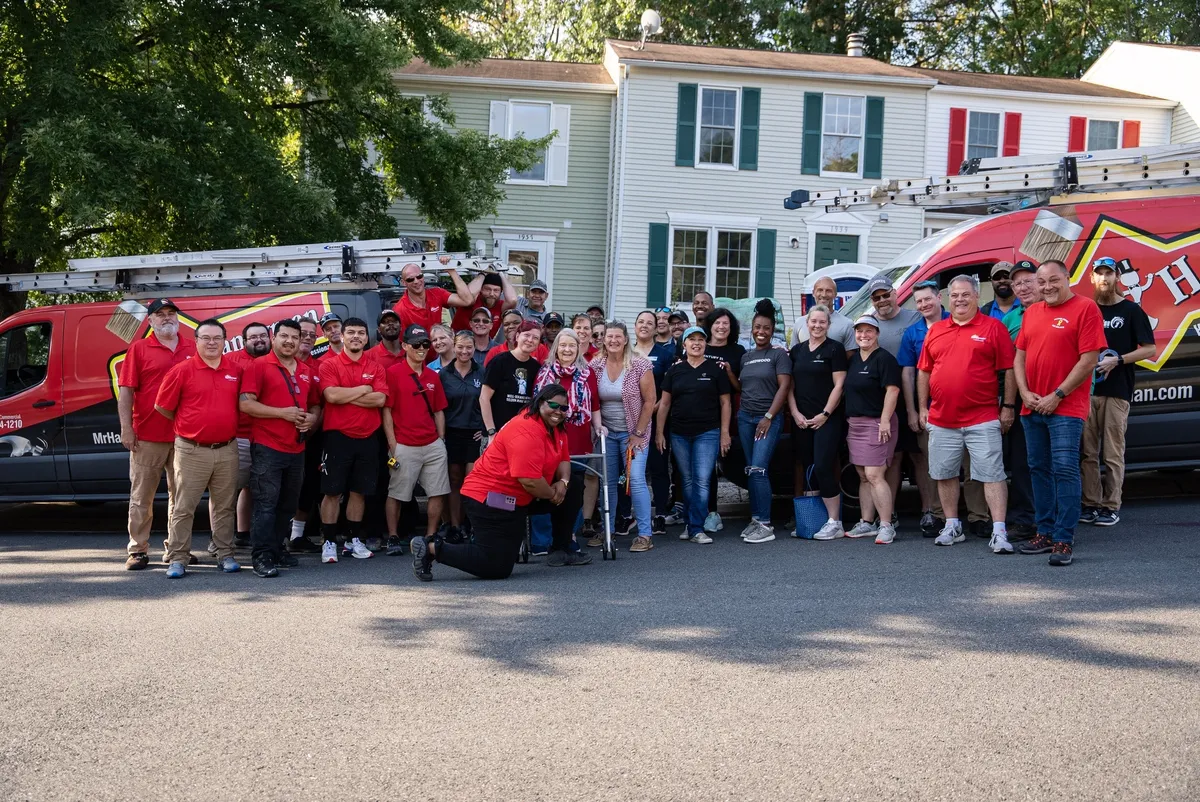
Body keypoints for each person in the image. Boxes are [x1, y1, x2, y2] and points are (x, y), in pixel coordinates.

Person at [409, 385, 572, 582]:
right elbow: (529, 481)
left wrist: (563, 482)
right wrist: (553, 494)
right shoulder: (526, 430)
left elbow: (564, 459)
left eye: (564, 408)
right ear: (539, 403)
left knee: (574, 486)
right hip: (491, 499)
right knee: (497, 567)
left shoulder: (555, 428)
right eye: (554, 405)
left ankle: (562, 549)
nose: (559, 412)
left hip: (518, 498)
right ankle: (431, 548)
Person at [1013, 260, 1108, 566]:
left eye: (1054, 280)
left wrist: (1058, 395)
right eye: (1041, 282)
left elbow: (1089, 359)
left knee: (1065, 469)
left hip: (1065, 407)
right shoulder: (1032, 312)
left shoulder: (1086, 308)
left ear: (1068, 278)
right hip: (1033, 405)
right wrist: (1025, 393)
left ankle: (1064, 539)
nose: (1047, 287)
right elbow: (1020, 356)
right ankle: (1044, 531)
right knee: (1038, 469)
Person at [916, 275, 1017, 555]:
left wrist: (1007, 407)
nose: (959, 299)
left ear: (976, 297)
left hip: (982, 417)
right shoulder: (936, 330)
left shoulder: (993, 327)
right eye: (954, 295)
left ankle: (999, 531)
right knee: (945, 474)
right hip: (941, 418)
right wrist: (923, 406)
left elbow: (1008, 369)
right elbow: (924, 370)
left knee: (992, 475)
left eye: (965, 295)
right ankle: (952, 525)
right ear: (948, 299)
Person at [154, 319, 243, 578]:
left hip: (227, 449)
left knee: (225, 506)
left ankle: (225, 554)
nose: (212, 342)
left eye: (217, 337)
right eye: (206, 337)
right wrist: (190, 426)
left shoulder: (235, 370)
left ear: (225, 341)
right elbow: (163, 407)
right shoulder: (182, 370)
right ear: (196, 341)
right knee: (184, 506)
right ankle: (178, 558)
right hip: (192, 449)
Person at [117, 298, 196, 570]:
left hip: (185, 436)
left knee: (181, 496)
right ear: (149, 320)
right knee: (142, 497)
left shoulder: (193, 347)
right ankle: (137, 549)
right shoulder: (138, 349)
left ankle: (176, 549)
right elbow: (125, 391)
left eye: (171, 314)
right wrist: (127, 429)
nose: (166, 318)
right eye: (159, 314)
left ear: (178, 318)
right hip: (147, 435)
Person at [239, 319, 322, 577]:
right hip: (267, 447)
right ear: (274, 338)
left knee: (287, 504)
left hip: (296, 449)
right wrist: (282, 414)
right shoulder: (259, 366)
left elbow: (316, 404)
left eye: (294, 337)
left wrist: (312, 419)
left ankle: (276, 548)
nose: (289, 341)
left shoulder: (306, 370)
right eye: (284, 336)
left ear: (300, 341)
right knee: (266, 504)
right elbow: (246, 404)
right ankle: (262, 556)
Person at [1080, 257, 1156, 527]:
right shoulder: (1086, 310)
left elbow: (1149, 349)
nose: (1104, 278)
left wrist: (1119, 359)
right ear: (1092, 278)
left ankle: (1111, 506)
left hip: (1118, 391)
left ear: (1117, 277)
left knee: (1112, 453)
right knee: (1087, 453)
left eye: (1108, 273)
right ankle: (1090, 504)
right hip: (1086, 392)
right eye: (1099, 274)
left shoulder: (1131, 310)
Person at [317, 317, 388, 563]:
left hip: (368, 437)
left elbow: (380, 400)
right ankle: (328, 542)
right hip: (338, 437)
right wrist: (364, 389)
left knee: (359, 492)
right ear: (342, 336)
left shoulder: (376, 366)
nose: (356, 336)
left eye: (361, 332)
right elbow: (331, 396)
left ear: (367, 338)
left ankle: (353, 540)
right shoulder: (329, 365)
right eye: (351, 332)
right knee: (332, 492)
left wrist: (346, 395)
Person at [657, 326, 731, 544]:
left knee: (701, 480)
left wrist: (725, 433)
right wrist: (659, 433)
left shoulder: (715, 369)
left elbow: (725, 402)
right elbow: (665, 403)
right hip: (679, 433)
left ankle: (697, 528)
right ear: (685, 344)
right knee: (687, 480)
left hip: (707, 432)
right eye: (692, 339)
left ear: (705, 344)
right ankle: (690, 524)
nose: (696, 343)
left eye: (700, 339)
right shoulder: (675, 370)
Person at [383, 325, 451, 555]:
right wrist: (393, 444)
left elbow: (439, 410)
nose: (421, 349)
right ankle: (393, 536)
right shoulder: (393, 373)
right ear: (404, 346)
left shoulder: (433, 375)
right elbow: (387, 411)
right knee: (397, 493)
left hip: (432, 443)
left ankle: (430, 535)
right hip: (404, 443)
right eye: (416, 345)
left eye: (425, 344)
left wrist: (440, 439)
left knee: (438, 491)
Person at [536, 330, 601, 561]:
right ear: (556, 347)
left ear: (578, 348)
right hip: (551, 437)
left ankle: (569, 537)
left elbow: (594, 404)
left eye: (571, 346)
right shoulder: (545, 372)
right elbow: (537, 406)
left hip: (578, 436)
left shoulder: (587, 372)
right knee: (552, 486)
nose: (567, 350)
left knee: (575, 488)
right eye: (562, 345)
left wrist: (599, 426)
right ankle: (547, 540)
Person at [591, 320, 656, 542]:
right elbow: (592, 400)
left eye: (618, 336)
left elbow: (650, 401)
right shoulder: (596, 365)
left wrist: (637, 433)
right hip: (606, 434)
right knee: (607, 482)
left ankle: (645, 534)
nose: (613, 340)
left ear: (626, 339)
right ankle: (607, 531)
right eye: (609, 336)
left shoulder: (639, 364)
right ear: (603, 339)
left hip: (635, 433)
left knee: (636, 479)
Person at [788, 305, 847, 540]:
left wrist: (825, 414)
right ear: (806, 323)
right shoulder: (797, 351)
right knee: (809, 468)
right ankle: (813, 520)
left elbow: (839, 385)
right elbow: (789, 386)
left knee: (823, 466)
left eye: (822, 322)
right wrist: (794, 413)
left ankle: (835, 521)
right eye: (813, 321)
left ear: (828, 325)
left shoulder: (835, 349)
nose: (817, 326)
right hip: (802, 419)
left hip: (826, 419)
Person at [897, 281, 951, 536]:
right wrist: (913, 410)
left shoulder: (957, 321)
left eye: (928, 299)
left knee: (970, 468)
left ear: (939, 298)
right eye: (919, 302)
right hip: (929, 410)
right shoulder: (912, 332)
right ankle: (934, 514)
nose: (924, 305)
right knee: (933, 465)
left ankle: (977, 517)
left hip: (965, 410)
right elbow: (908, 374)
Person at [865, 275, 921, 523]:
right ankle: (891, 511)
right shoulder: (868, 325)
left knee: (920, 455)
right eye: (876, 297)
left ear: (896, 294)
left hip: (915, 394)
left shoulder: (913, 318)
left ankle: (930, 511)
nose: (882, 300)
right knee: (894, 456)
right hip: (883, 398)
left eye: (886, 294)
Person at [736, 299, 792, 543]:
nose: (761, 332)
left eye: (766, 328)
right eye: (757, 327)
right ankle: (756, 518)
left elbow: (784, 387)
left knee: (759, 468)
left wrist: (769, 416)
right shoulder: (745, 358)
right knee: (751, 470)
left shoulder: (779, 355)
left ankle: (766, 524)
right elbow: (742, 387)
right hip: (745, 418)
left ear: (772, 331)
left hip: (767, 419)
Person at [843, 315, 901, 545]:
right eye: (859, 331)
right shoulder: (854, 359)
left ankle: (886, 525)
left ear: (877, 333)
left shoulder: (884, 359)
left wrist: (885, 419)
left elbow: (893, 390)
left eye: (869, 331)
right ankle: (866, 523)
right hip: (855, 424)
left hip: (878, 423)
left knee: (875, 475)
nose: (863, 335)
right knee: (862, 476)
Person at [999, 260, 1040, 540]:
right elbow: (1008, 366)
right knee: (1023, 464)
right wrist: (1009, 404)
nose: (1023, 287)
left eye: (1028, 281)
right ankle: (1026, 520)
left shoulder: (1057, 313)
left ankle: (1055, 523)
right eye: (1018, 283)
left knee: (1056, 465)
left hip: (1058, 402)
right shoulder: (1010, 320)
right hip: (1023, 403)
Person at [699, 307, 745, 532]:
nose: (721, 327)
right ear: (710, 325)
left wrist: (728, 372)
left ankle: (712, 513)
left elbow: (739, 388)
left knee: (718, 463)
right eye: (717, 323)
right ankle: (699, 511)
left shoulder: (738, 351)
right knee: (699, 467)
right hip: (699, 411)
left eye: (726, 324)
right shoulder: (700, 346)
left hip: (726, 412)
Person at [633, 310, 676, 537]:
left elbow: (668, 387)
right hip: (630, 420)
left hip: (658, 418)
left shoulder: (665, 353)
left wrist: (653, 407)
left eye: (650, 323)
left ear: (656, 328)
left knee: (658, 466)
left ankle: (659, 513)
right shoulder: (625, 352)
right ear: (635, 326)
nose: (645, 326)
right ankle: (627, 514)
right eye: (641, 322)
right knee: (630, 469)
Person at [229, 322, 271, 549]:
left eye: (263, 336)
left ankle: (249, 534)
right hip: (240, 435)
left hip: (268, 435)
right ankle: (222, 539)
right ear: (244, 341)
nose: (259, 340)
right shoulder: (232, 361)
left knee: (259, 487)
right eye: (253, 337)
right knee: (228, 488)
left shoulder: (277, 359)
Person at [440, 330, 484, 539]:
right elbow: (438, 408)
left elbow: (489, 402)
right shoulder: (444, 374)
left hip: (474, 433)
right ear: (454, 346)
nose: (464, 351)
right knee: (454, 480)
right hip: (451, 432)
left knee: (472, 481)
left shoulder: (482, 372)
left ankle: (472, 525)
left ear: (474, 348)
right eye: (460, 346)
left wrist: (484, 428)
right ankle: (456, 526)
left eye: (469, 347)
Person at [289, 316, 326, 553]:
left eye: (313, 334)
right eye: (304, 332)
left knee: (309, 486)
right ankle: (274, 536)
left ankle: (297, 536)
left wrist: (311, 427)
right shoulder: (278, 362)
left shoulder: (318, 367)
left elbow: (321, 404)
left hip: (311, 437)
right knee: (281, 487)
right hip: (277, 437)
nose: (309, 337)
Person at [481, 320, 543, 440]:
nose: (530, 340)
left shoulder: (537, 368)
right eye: (527, 335)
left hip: (522, 435)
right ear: (518, 336)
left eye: (535, 337)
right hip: (496, 433)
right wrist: (491, 431)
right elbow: (484, 398)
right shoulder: (499, 361)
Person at [392, 260, 475, 343]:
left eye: (419, 276)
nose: (416, 281)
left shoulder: (437, 293)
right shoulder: (400, 310)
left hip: (440, 354)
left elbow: (467, 300)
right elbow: (400, 345)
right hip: (418, 355)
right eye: (410, 279)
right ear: (403, 282)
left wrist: (451, 271)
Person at [791, 276, 857, 352]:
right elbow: (793, 354)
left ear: (835, 294)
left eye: (828, 291)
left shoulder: (847, 324)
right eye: (820, 290)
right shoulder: (799, 322)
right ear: (813, 293)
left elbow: (850, 359)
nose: (824, 294)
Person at [450, 271, 516, 340]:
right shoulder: (472, 300)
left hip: (484, 348)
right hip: (459, 344)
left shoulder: (501, 306)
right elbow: (468, 294)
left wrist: (501, 274)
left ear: (501, 292)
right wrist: (483, 274)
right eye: (487, 289)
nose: (491, 294)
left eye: (496, 290)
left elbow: (513, 300)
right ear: (481, 289)